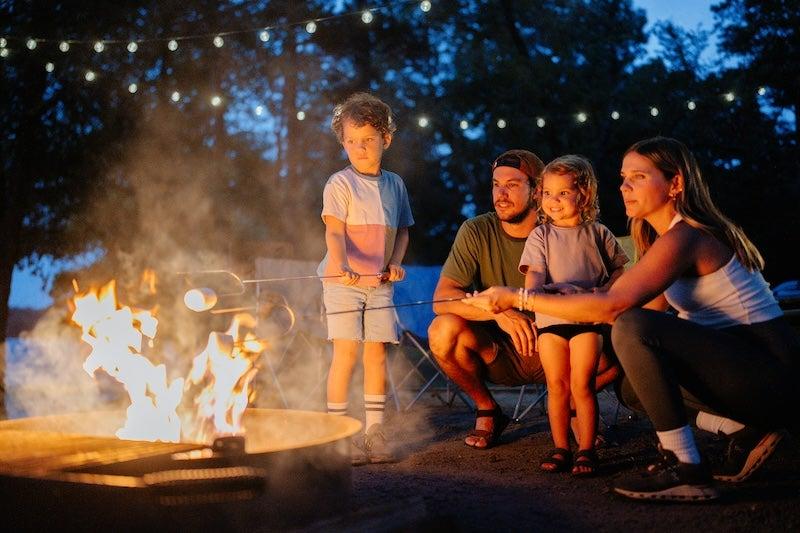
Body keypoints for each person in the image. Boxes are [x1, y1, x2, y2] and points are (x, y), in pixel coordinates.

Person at [462, 136, 800, 501]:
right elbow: (643, 312)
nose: (624, 187)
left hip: (774, 375)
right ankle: (742, 431)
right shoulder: (662, 239)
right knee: (631, 386)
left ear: (675, 183)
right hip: (745, 372)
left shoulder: (687, 235)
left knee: (631, 326)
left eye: (638, 177)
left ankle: (685, 466)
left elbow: (618, 311)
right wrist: (582, 299)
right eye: (623, 178)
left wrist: (516, 297)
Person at [427, 149, 620, 451]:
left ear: (537, 191)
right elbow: (442, 300)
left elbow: (618, 279)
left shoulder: (570, 230)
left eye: (513, 185)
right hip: (502, 352)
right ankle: (487, 409)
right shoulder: (477, 230)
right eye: (495, 184)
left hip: (563, 343)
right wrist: (499, 313)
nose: (501, 194)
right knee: (442, 330)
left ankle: (572, 404)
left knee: (623, 348)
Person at [318, 92, 414, 465]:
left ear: (385, 140)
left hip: (379, 285)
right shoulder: (339, 184)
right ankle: (337, 434)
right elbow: (334, 232)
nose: (359, 147)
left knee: (376, 354)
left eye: (368, 140)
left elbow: (402, 231)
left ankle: (375, 431)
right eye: (351, 141)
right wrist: (342, 264)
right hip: (342, 283)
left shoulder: (395, 185)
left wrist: (395, 263)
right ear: (343, 142)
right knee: (346, 353)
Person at [520, 155, 628, 476]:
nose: (554, 201)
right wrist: (540, 293)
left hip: (587, 321)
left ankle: (586, 449)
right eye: (548, 193)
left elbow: (621, 270)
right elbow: (535, 277)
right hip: (552, 321)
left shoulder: (598, 233)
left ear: (583, 194)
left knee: (581, 385)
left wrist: (603, 291)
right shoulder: (541, 236)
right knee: (557, 385)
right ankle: (560, 447)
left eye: (563, 193)